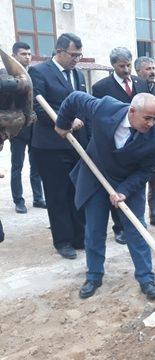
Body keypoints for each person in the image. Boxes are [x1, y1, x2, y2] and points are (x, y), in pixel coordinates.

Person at [54, 91, 155, 300]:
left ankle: (146, 278)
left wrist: (123, 190)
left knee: (136, 230)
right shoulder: (105, 109)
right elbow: (74, 99)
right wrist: (63, 123)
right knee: (95, 229)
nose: (151, 124)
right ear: (132, 111)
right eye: (147, 118)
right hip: (95, 173)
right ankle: (94, 276)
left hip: (128, 181)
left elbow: (147, 170)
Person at [30, 33, 88, 260]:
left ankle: (79, 236)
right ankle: (63, 240)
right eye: (74, 55)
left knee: (76, 191)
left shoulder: (78, 74)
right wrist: (66, 121)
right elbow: (38, 106)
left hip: (76, 144)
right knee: (57, 194)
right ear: (60, 51)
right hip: (50, 146)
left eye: (79, 55)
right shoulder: (39, 72)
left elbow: (81, 101)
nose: (77, 59)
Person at [92, 47, 150, 245]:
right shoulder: (101, 88)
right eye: (121, 66)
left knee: (136, 183)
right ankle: (120, 227)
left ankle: (136, 221)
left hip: (138, 143)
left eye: (128, 65)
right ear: (113, 65)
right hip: (115, 145)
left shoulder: (141, 83)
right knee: (116, 187)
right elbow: (98, 118)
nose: (126, 70)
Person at [8, 41, 46, 214]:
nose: (27, 57)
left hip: (36, 128)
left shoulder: (36, 74)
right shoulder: (5, 76)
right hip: (17, 128)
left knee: (36, 164)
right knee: (17, 165)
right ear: (14, 55)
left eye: (29, 54)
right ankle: (19, 200)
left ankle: (38, 198)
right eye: (23, 54)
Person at [134, 56, 155, 226]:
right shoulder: (134, 90)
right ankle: (138, 217)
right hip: (138, 141)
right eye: (148, 69)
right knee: (138, 182)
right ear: (138, 71)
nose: (152, 72)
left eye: (153, 69)